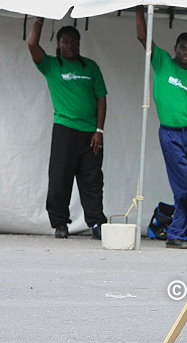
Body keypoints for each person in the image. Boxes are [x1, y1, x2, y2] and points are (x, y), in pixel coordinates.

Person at [136, 5, 187, 249]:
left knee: (186, 186)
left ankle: (176, 234)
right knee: (186, 186)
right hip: (170, 134)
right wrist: (139, 8)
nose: (186, 52)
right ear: (175, 47)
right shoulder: (163, 61)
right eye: (183, 47)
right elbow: (142, 37)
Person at [27, 18, 107, 240]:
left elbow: (101, 98)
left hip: (91, 134)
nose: (71, 45)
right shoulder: (51, 65)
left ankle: (96, 223)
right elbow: (32, 44)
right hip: (65, 130)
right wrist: (39, 19)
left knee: (92, 180)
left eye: (75, 41)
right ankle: (60, 223)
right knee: (59, 178)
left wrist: (99, 131)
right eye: (66, 41)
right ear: (59, 44)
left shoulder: (90, 67)